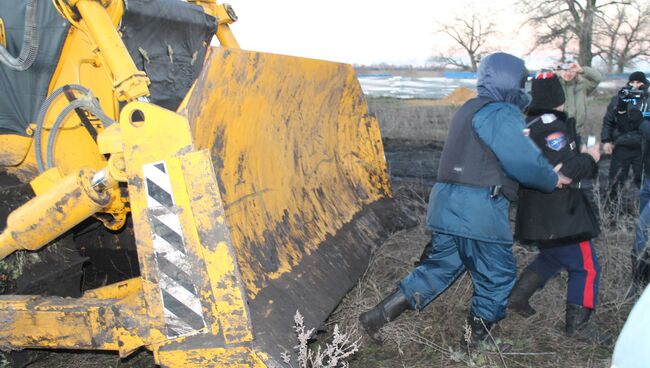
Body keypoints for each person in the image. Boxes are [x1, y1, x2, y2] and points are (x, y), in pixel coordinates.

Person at [359, 52, 570, 348]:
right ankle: (474, 345)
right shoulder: (499, 112)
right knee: (497, 275)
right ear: (512, 82)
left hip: (445, 207)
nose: (524, 89)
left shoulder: (469, 108)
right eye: (522, 82)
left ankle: (376, 317)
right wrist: (552, 179)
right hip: (478, 209)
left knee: (439, 268)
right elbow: (523, 162)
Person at [508, 72, 610, 344]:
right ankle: (578, 326)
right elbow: (564, 172)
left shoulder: (529, 123)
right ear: (558, 99)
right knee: (586, 267)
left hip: (539, 213)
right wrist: (590, 157)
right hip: (560, 213)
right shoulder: (551, 128)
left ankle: (517, 297)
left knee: (552, 257)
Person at [601, 72, 648, 203]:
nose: (635, 85)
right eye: (632, 82)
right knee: (616, 181)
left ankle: (644, 213)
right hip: (621, 144)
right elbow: (608, 121)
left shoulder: (648, 99)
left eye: (639, 83)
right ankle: (611, 213)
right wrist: (606, 140)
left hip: (643, 147)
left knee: (644, 181)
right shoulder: (618, 98)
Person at [555, 61, 602, 138]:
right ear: (560, 71)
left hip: (576, 132)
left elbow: (597, 78)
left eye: (572, 71)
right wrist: (555, 73)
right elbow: (539, 80)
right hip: (557, 132)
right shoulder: (554, 83)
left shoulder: (583, 85)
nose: (568, 74)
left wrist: (582, 70)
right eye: (565, 70)